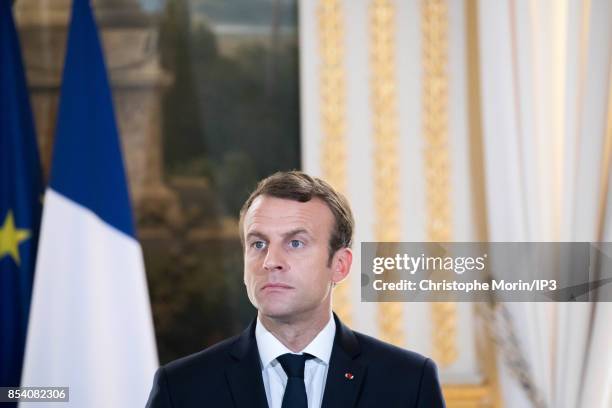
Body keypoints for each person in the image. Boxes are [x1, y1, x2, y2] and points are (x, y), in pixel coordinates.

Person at [146, 171, 446, 408]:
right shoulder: (183, 388)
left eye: (295, 243)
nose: (271, 261)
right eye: (258, 244)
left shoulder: (407, 382)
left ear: (339, 265)